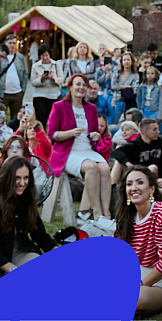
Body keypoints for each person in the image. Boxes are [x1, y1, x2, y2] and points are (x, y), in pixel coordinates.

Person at [47, 73, 114, 232]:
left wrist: (96, 135)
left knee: (105, 168)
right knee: (91, 167)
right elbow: (51, 134)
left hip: (88, 150)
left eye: (84, 85)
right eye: (78, 84)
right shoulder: (59, 106)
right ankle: (97, 213)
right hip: (68, 152)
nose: (81, 87)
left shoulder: (91, 108)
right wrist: (69, 133)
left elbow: (95, 132)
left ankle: (106, 214)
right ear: (70, 87)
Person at [117, 166, 162, 314]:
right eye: (129, 184)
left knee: (132, 299)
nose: (134, 188)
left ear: (151, 189)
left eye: (140, 182)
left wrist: (141, 284)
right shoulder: (127, 216)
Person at [0, 155, 55, 284]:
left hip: (23, 253)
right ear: (7, 178)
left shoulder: (27, 201)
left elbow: (40, 235)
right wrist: (12, 269)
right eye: (17, 178)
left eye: (26, 178)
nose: (22, 183)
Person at [110, 117, 162, 185]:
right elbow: (116, 152)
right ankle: (112, 187)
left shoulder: (161, 143)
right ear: (145, 132)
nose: (158, 132)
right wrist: (128, 164)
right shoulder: (135, 144)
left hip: (155, 176)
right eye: (155, 129)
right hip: (137, 173)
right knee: (118, 162)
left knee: (153, 167)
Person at [0, 33, 29, 121]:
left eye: (14, 43)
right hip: (3, 93)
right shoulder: (1, 57)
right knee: (0, 117)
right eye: (10, 43)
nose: (12, 45)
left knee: (16, 118)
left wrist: (23, 90)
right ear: (6, 44)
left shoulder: (20, 58)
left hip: (17, 92)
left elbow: (25, 74)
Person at [111, 51, 139, 121]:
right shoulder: (117, 72)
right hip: (117, 101)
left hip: (128, 102)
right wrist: (126, 87)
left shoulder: (135, 75)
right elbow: (113, 86)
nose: (126, 62)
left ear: (132, 61)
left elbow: (135, 90)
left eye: (128, 60)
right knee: (115, 121)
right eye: (124, 60)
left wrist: (120, 87)